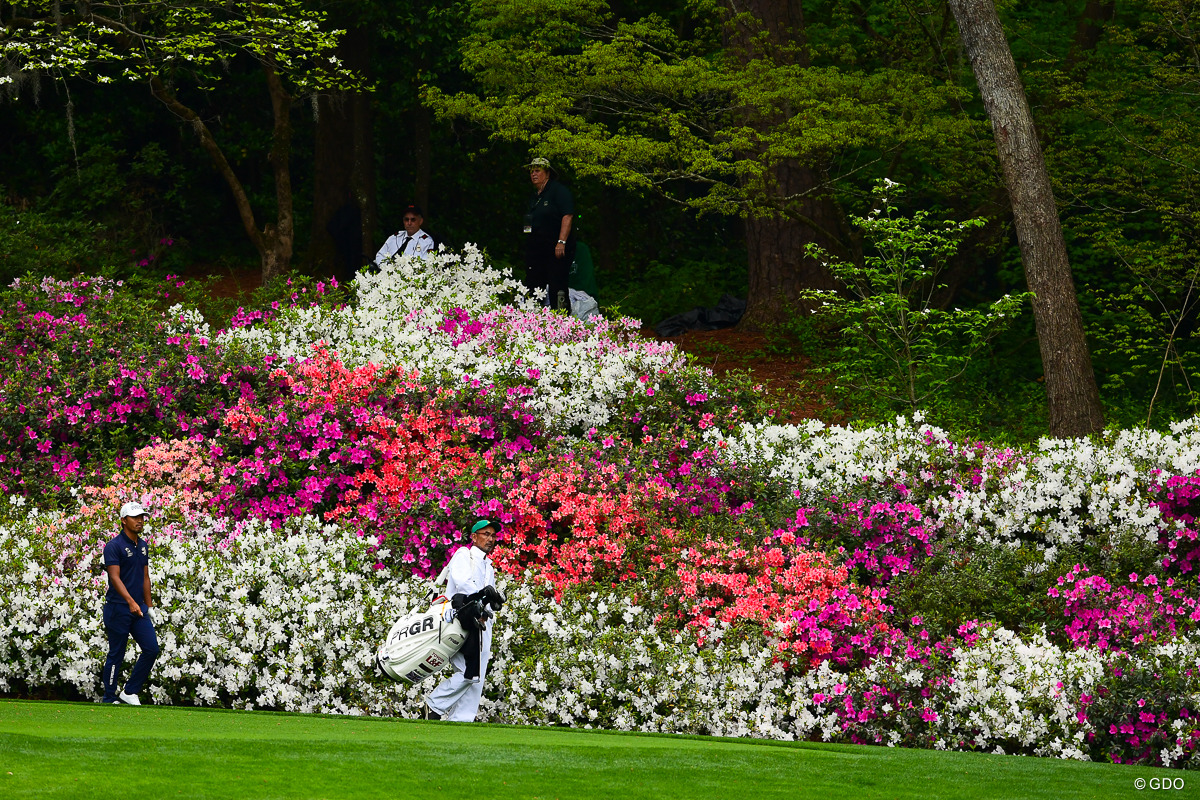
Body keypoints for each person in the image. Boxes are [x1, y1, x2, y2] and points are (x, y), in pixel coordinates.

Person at [424, 519, 505, 722]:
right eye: (485, 534)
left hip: (482, 624)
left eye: (493, 535)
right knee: (470, 673)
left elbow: (486, 598)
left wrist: (491, 605)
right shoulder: (463, 554)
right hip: (460, 621)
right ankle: (434, 704)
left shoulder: (489, 566)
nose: (490, 539)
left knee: (476, 677)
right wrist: (484, 597)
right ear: (474, 536)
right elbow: (463, 584)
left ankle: (461, 720)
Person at [100, 502, 160, 705]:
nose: (140, 520)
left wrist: (149, 606)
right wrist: (131, 602)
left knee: (152, 649)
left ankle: (129, 691)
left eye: (142, 517)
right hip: (118, 608)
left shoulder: (142, 546)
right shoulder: (113, 546)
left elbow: (145, 577)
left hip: (138, 609)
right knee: (116, 654)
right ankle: (109, 698)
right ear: (124, 520)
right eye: (135, 517)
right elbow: (114, 578)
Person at [522, 157, 575, 310]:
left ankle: (562, 320)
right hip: (537, 249)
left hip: (556, 248)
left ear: (547, 173)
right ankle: (534, 320)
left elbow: (568, 215)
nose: (533, 174)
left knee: (557, 286)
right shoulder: (534, 196)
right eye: (531, 171)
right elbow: (528, 219)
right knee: (533, 285)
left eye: (537, 170)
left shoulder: (559, 191)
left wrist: (561, 242)